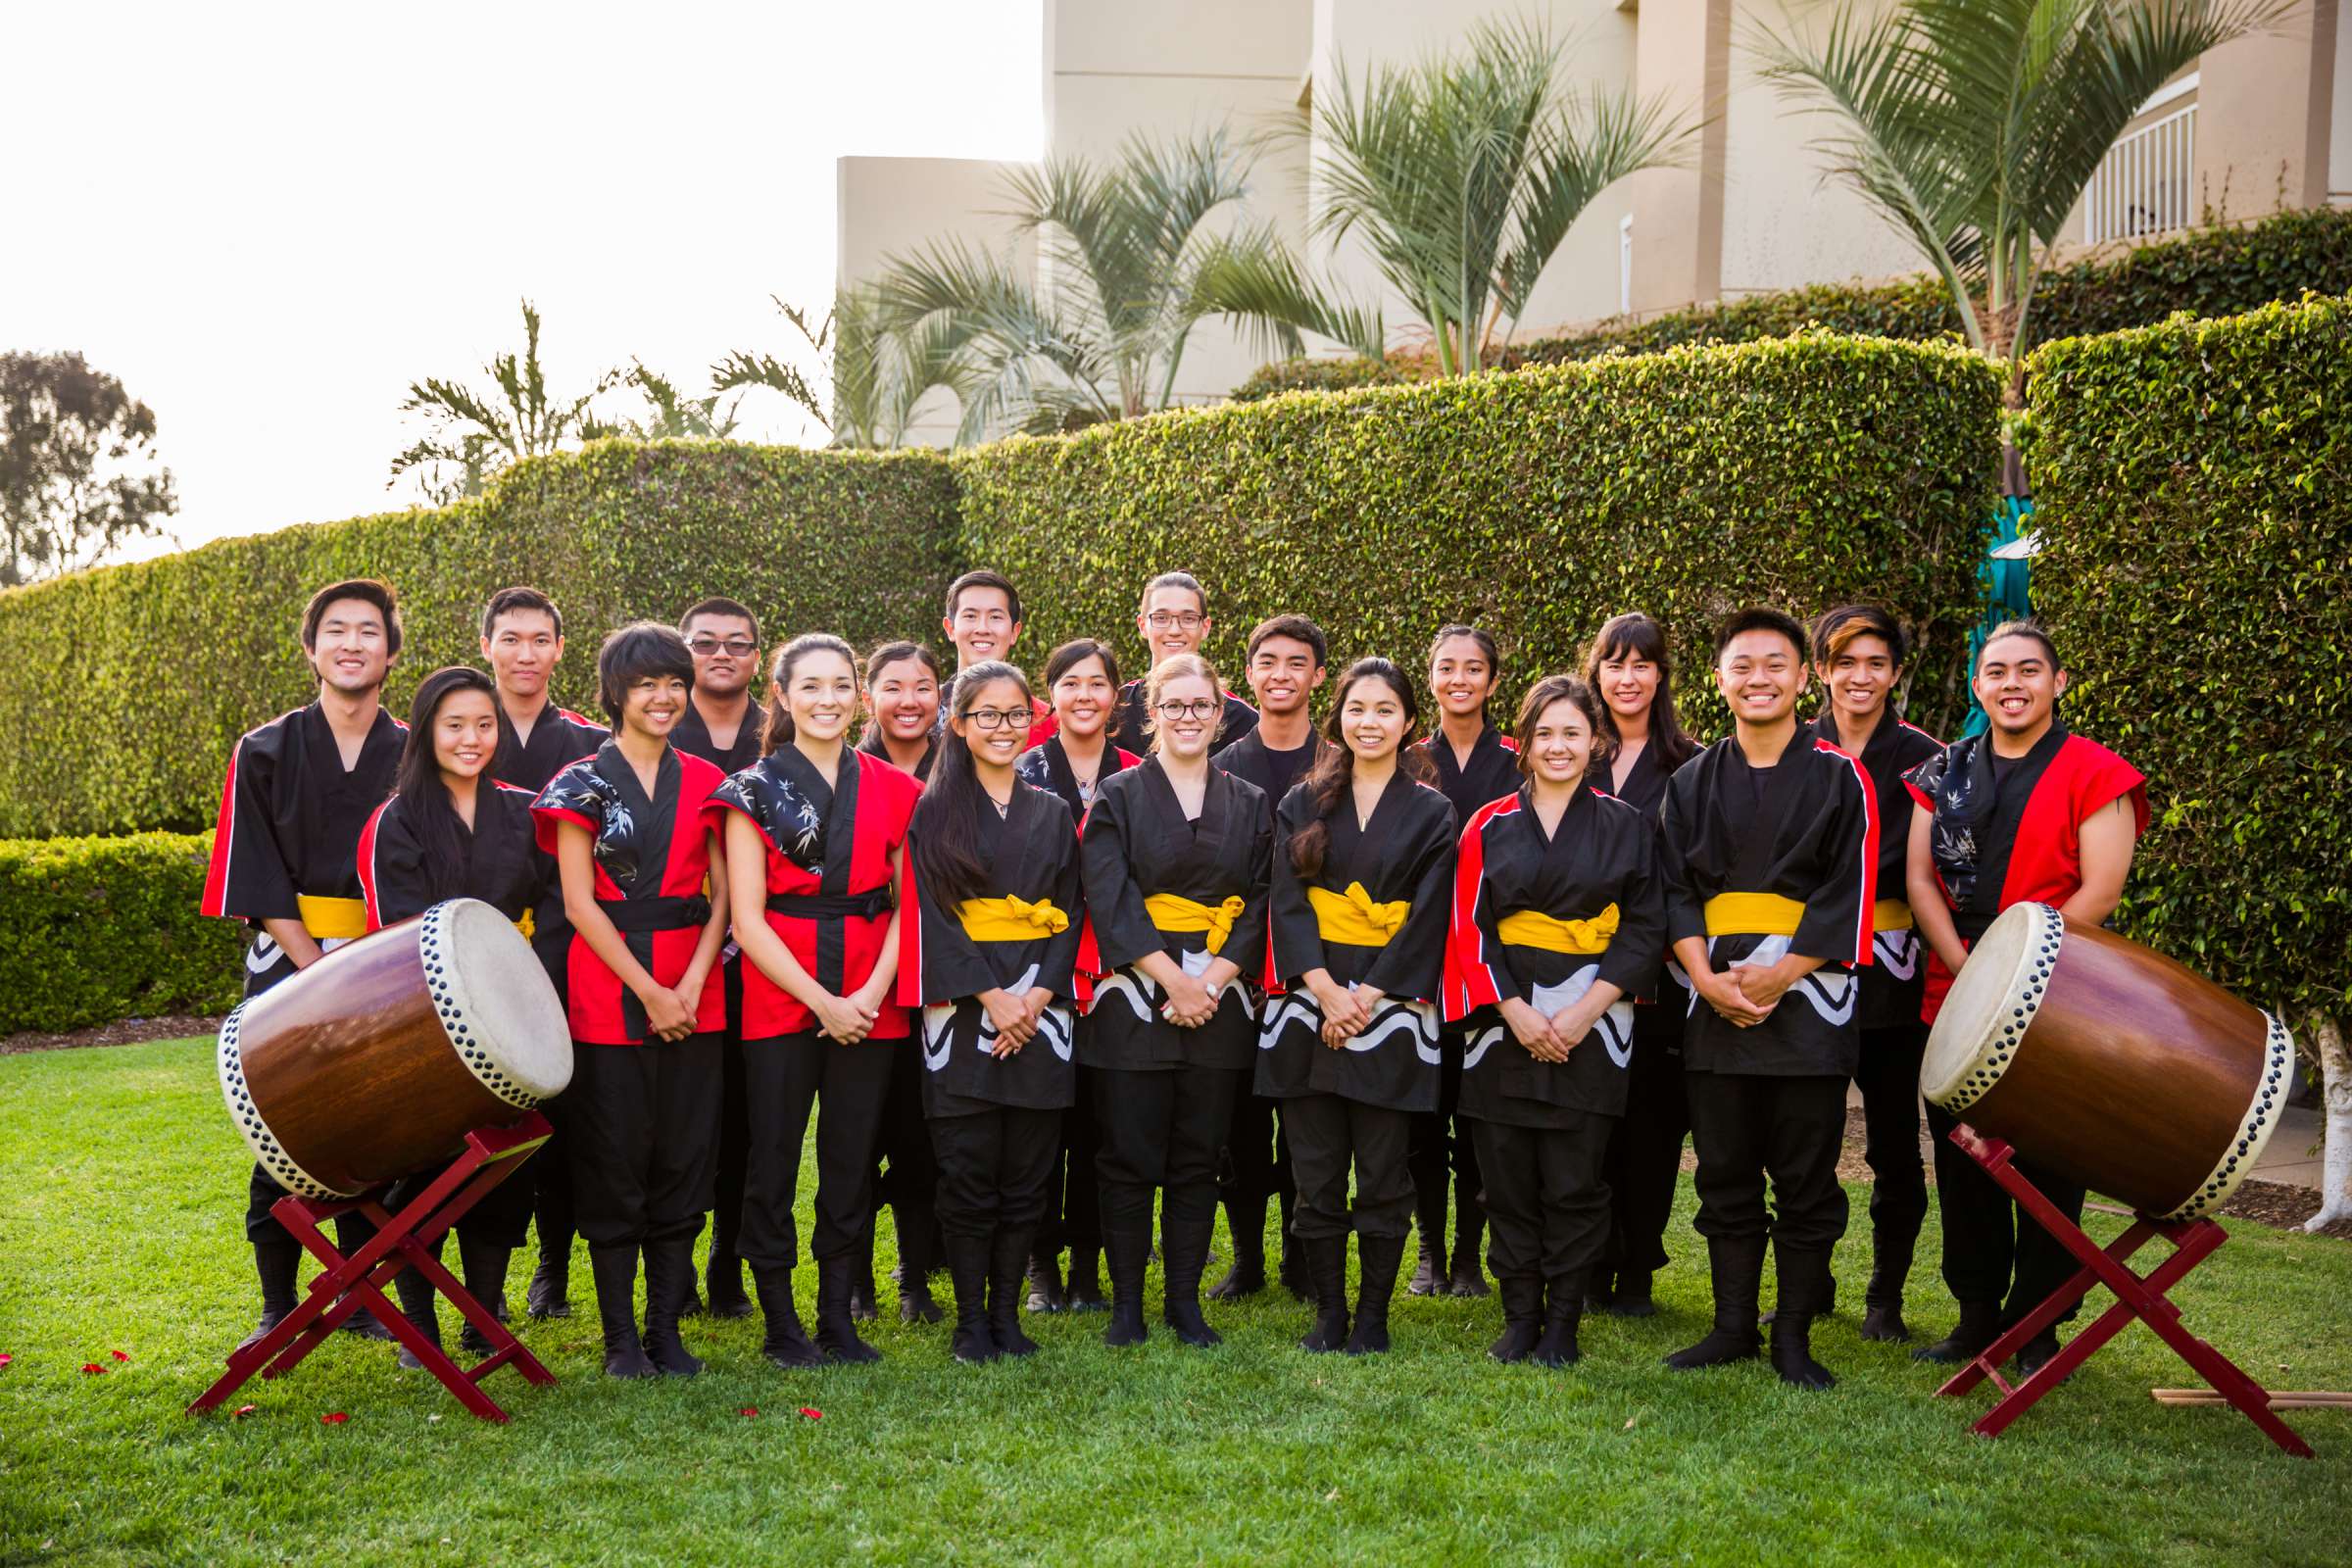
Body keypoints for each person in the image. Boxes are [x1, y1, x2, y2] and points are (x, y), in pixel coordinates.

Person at [1904, 620, 2146, 1377]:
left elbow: (2100, 889)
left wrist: (2014, 969)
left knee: (2046, 1165)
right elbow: (1918, 880)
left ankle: (2038, 1326)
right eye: (1997, 672)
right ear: (1978, 686)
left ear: (2058, 682)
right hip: (1956, 985)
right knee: (1963, 1161)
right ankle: (1976, 1315)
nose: (2013, 683)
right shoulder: (1941, 772)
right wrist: (1970, 968)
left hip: (2054, 989)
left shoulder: (2095, 772)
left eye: (2030, 671)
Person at [1658, 608, 1878, 1390]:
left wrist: (1784, 972)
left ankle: (1791, 1337)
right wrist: (1708, 980)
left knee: (1805, 1174)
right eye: (1742, 666)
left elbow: (1848, 888)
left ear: (1801, 676)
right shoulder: (1689, 782)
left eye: (1775, 665)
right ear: (1720, 681)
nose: (1759, 679)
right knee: (1723, 1170)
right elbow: (1672, 891)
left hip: (1809, 1003)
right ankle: (1730, 1328)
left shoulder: (1840, 776)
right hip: (1712, 1000)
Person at [202, 578, 408, 1349]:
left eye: (368, 631)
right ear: (312, 646)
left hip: (387, 961)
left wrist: (367, 964)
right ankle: (279, 1302)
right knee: (285, 1130)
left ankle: (362, 1294)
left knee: (384, 1123)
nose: (352, 643)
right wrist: (316, 966)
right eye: (336, 630)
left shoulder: (415, 748)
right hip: (290, 961)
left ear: (390, 650)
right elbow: (254, 872)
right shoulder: (264, 749)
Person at [710, 633, 922, 1367]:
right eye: (811, 687)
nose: (827, 700)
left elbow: (908, 905)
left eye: (840, 687)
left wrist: (865, 994)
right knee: (770, 1158)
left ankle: (838, 1318)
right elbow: (747, 917)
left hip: (873, 992)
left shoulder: (900, 790)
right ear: (783, 695)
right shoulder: (749, 791)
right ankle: (780, 1324)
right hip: (779, 994)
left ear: (858, 696)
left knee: (850, 1159)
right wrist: (820, 1000)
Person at [1446, 674, 1665, 1366]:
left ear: (1595, 741)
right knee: (1505, 1183)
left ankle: (1564, 1323)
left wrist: (1583, 1012)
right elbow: (1467, 927)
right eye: (1545, 733)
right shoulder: (1489, 824)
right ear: (1525, 742)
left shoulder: (1628, 825)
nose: (1559, 746)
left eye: (1573, 733)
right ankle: (1519, 1318)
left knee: (1576, 1183)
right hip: (1502, 1024)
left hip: (1592, 1026)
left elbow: (1644, 926)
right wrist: (1514, 1010)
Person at [532, 623, 731, 1379]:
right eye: (647, 683)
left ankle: (666, 1334)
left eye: (674, 683)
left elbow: (723, 898)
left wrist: (688, 986)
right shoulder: (578, 784)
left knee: (684, 1154)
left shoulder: (713, 783)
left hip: (696, 988)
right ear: (615, 692)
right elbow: (579, 904)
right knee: (615, 1156)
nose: (664, 696)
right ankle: (621, 1342)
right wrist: (649, 989)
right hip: (608, 990)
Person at [1261, 659, 1458, 1354]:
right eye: (1356, 709)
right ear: (1337, 717)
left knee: (1382, 1171)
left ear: (1409, 723)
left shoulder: (1435, 814)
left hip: (1389, 1008)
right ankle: (1328, 1315)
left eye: (1384, 711)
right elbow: (1285, 903)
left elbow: (1431, 916)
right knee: (1314, 1171)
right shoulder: (1299, 802)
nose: (1368, 723)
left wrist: (1368, 995)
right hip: (1310, 1007)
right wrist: (1324, 990)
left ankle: (1373, 1316)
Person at [1080, 653, 1272, 1348]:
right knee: (1128, 1156)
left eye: (1201, 706)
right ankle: (1127, 1307)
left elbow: (1260, 901)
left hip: (1218, 1002)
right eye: (1173, 705)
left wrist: (1214, 980)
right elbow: (1110, 895)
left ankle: (1184, 1306)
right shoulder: (1119, 795)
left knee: (1199, 1157)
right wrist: (1174, 979)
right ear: (1151, 714)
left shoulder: (1250, 804)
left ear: (1221, 716)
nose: (1187, 717)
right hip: (1136, 999)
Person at [355, 666, 545, 1366]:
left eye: (484, 724)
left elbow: (549, 910)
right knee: (425, 1174)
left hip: (510, 1018)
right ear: (427, 731)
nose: (472, 739)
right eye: (455, 725)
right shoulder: (395, 820)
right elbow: (391, 937)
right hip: (419, 1026)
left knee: (504, 1169)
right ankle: (420, 1327)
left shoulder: (523, 811)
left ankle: (483, 1313)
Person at [897, 662, 1084, 1362]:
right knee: (968, 1173)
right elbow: (933, 918)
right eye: (986, 715)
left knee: (1028, 1177)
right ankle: (970, 1323)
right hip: (967, 1010)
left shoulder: (1054, 811)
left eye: (1014, 715)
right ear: (959, 724)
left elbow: (1071, 911)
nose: (1002, 729)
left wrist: (1034, 998)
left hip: (1040, 1010)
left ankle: (1008, 1317)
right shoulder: (931, 809)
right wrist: (992, 998)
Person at [1807, 606, 1941, 1342]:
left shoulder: (1929, 758)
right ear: (1822, 670)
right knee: (1808, 1143)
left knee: (1893, 1144)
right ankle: (1812, 1283)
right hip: (1807, 968)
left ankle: (1885, 1298)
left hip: (1895, 974)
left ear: (1895, 672)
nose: (1861, 677)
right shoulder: (1795, 748)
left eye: (1876, 663)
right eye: (1845, 662)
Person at [477, 585, 607, 1325]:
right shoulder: (461, 730)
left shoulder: (589, 745)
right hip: (483, 959)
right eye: (511, 638)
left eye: (540, 639)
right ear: (486, 646)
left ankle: (554, 1268)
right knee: (491, 1122)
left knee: (567, 1117)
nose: (525, 653)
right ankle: (483, 1282)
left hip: (568, 954)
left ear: (560, 649)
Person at [1013, 638, 1142, 1313]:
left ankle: (1090, 1270)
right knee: (1042, 1132)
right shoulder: (1021, 770)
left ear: (1117, 696)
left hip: (1120, 976)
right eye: (1071, 683)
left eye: (1098, 684)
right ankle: (1042, 1269)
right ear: (1051, 695)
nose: (1085, 695)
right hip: (1039, 972)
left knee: (1103, 1129)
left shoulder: (1142, 773)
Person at [1581, 612, 1702, 1318]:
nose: (1627, 678)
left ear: (1661, 675)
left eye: (1642, 664)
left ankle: (1638, 1269)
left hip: (1660, 979)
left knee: (1652, 1130)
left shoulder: (1690, 762)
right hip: (1572, 972)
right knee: (1590, 1124)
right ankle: (1591, 1261)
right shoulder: (1570, 751)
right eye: (1614, 663)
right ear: (1596, 671)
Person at [1208, 613, 1329, 1300]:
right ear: (1249, 675)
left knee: (1306, 1128)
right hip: (1240, 978)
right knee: (1239, 1129)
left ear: (1317, 676)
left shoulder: (1340, 764)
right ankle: (1248, 1259)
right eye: (1268, 662)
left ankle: (1302, 1256)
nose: (1280, 675)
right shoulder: (1226, 767)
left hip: (1316, 977)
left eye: (1296, 663)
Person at [1409, 624, 1518, 1298]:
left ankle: (1471, 1256)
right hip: (1421, 954)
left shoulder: (1517, 757)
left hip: (1489, 953)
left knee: (1478, 1116)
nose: (1460, 680)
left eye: (1473, 669)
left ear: (1493, 681)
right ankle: (1428, 1253)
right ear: (1430, 678)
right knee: (1426, 1111)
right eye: (1447, 668)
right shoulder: (1405, 755)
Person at [671, 598, 765, 1319]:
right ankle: (557, 1263)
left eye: (738, 643)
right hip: (680, 952)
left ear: (759, 658)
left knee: (748, 1120)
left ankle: (728, 1262)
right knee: (682, 1118)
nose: (722, 653)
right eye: (705, 643)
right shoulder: (656, 727)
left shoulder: (782, 730)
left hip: (764, 954)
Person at [854, 639, 947, 1322]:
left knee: (919, 1138)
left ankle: (915, 1276)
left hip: (945, 977)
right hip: (866, 975)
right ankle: (855, 1281)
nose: (908, 700)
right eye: (893, 686)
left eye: (921, 686)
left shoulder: (965, 765)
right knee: (857, 1136)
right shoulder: (848, 772)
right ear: (869, 697)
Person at [1109, 571, 1258, 756]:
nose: (1174, 630)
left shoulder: (1241, 719)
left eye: (1188, 618)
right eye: (1161, 618)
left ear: (1205, 627)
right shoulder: (1115, 710)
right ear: (1142, 625)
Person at [940, 570, 1052, 743]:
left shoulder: (1044, 721)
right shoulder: (925, 712)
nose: (983, 628)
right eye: (970, 616)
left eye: (995, 617)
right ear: (950, 629)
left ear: (1015, 631)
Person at [858, 640, 942, 781]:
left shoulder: (961, 770)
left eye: (922, 689)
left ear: (939, 698)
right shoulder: (847, 774)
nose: (909, 702)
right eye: (893, 689)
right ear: (868, 701)